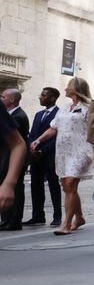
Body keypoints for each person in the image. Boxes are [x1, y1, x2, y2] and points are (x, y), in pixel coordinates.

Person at [28, 78, 94, 236]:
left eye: (68, 86)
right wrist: (39, 140)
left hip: (81, 150)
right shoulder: (64, 108)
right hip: (63, 152)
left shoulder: (88, 108)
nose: (65, 89)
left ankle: (66, 224)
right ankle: (79, 217)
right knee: (67, 186)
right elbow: (54, 128)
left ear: (76, 89)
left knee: (70, 184)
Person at [24, 87, 62, 227]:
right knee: (35, 185)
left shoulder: (59, 114)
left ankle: (57, 216)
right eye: (41, 94)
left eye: (44, 95)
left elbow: (57, 135)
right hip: (35, 156)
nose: (40, 97)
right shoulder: (38, 114)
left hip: (50, 155)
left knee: (53, 185)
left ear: (52, 98)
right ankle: (38, 216)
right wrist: (32, 147)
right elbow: (33, 133)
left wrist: (42, 150)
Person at [0, 88, 29, 230]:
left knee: (15, 191)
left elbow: (17, 143)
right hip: (6, 159)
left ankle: (13, 221)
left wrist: (9, 183)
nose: (2, 99)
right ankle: (7, 220)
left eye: (3, 97)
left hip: (10, 161)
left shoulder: (18, 116)